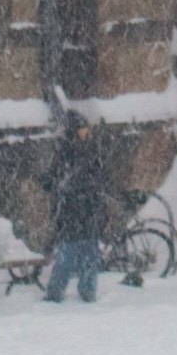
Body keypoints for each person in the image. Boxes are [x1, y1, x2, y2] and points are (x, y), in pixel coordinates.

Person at [42, 118, 113, 304]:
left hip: (76, 214)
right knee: (81, 257)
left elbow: (53, 180)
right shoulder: (80, 153)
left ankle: (60, 294)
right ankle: (82, 293)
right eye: (82, 129)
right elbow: (97, 179)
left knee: (73, 256)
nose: (85, 133)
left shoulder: (68, 153)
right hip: (80, 213)